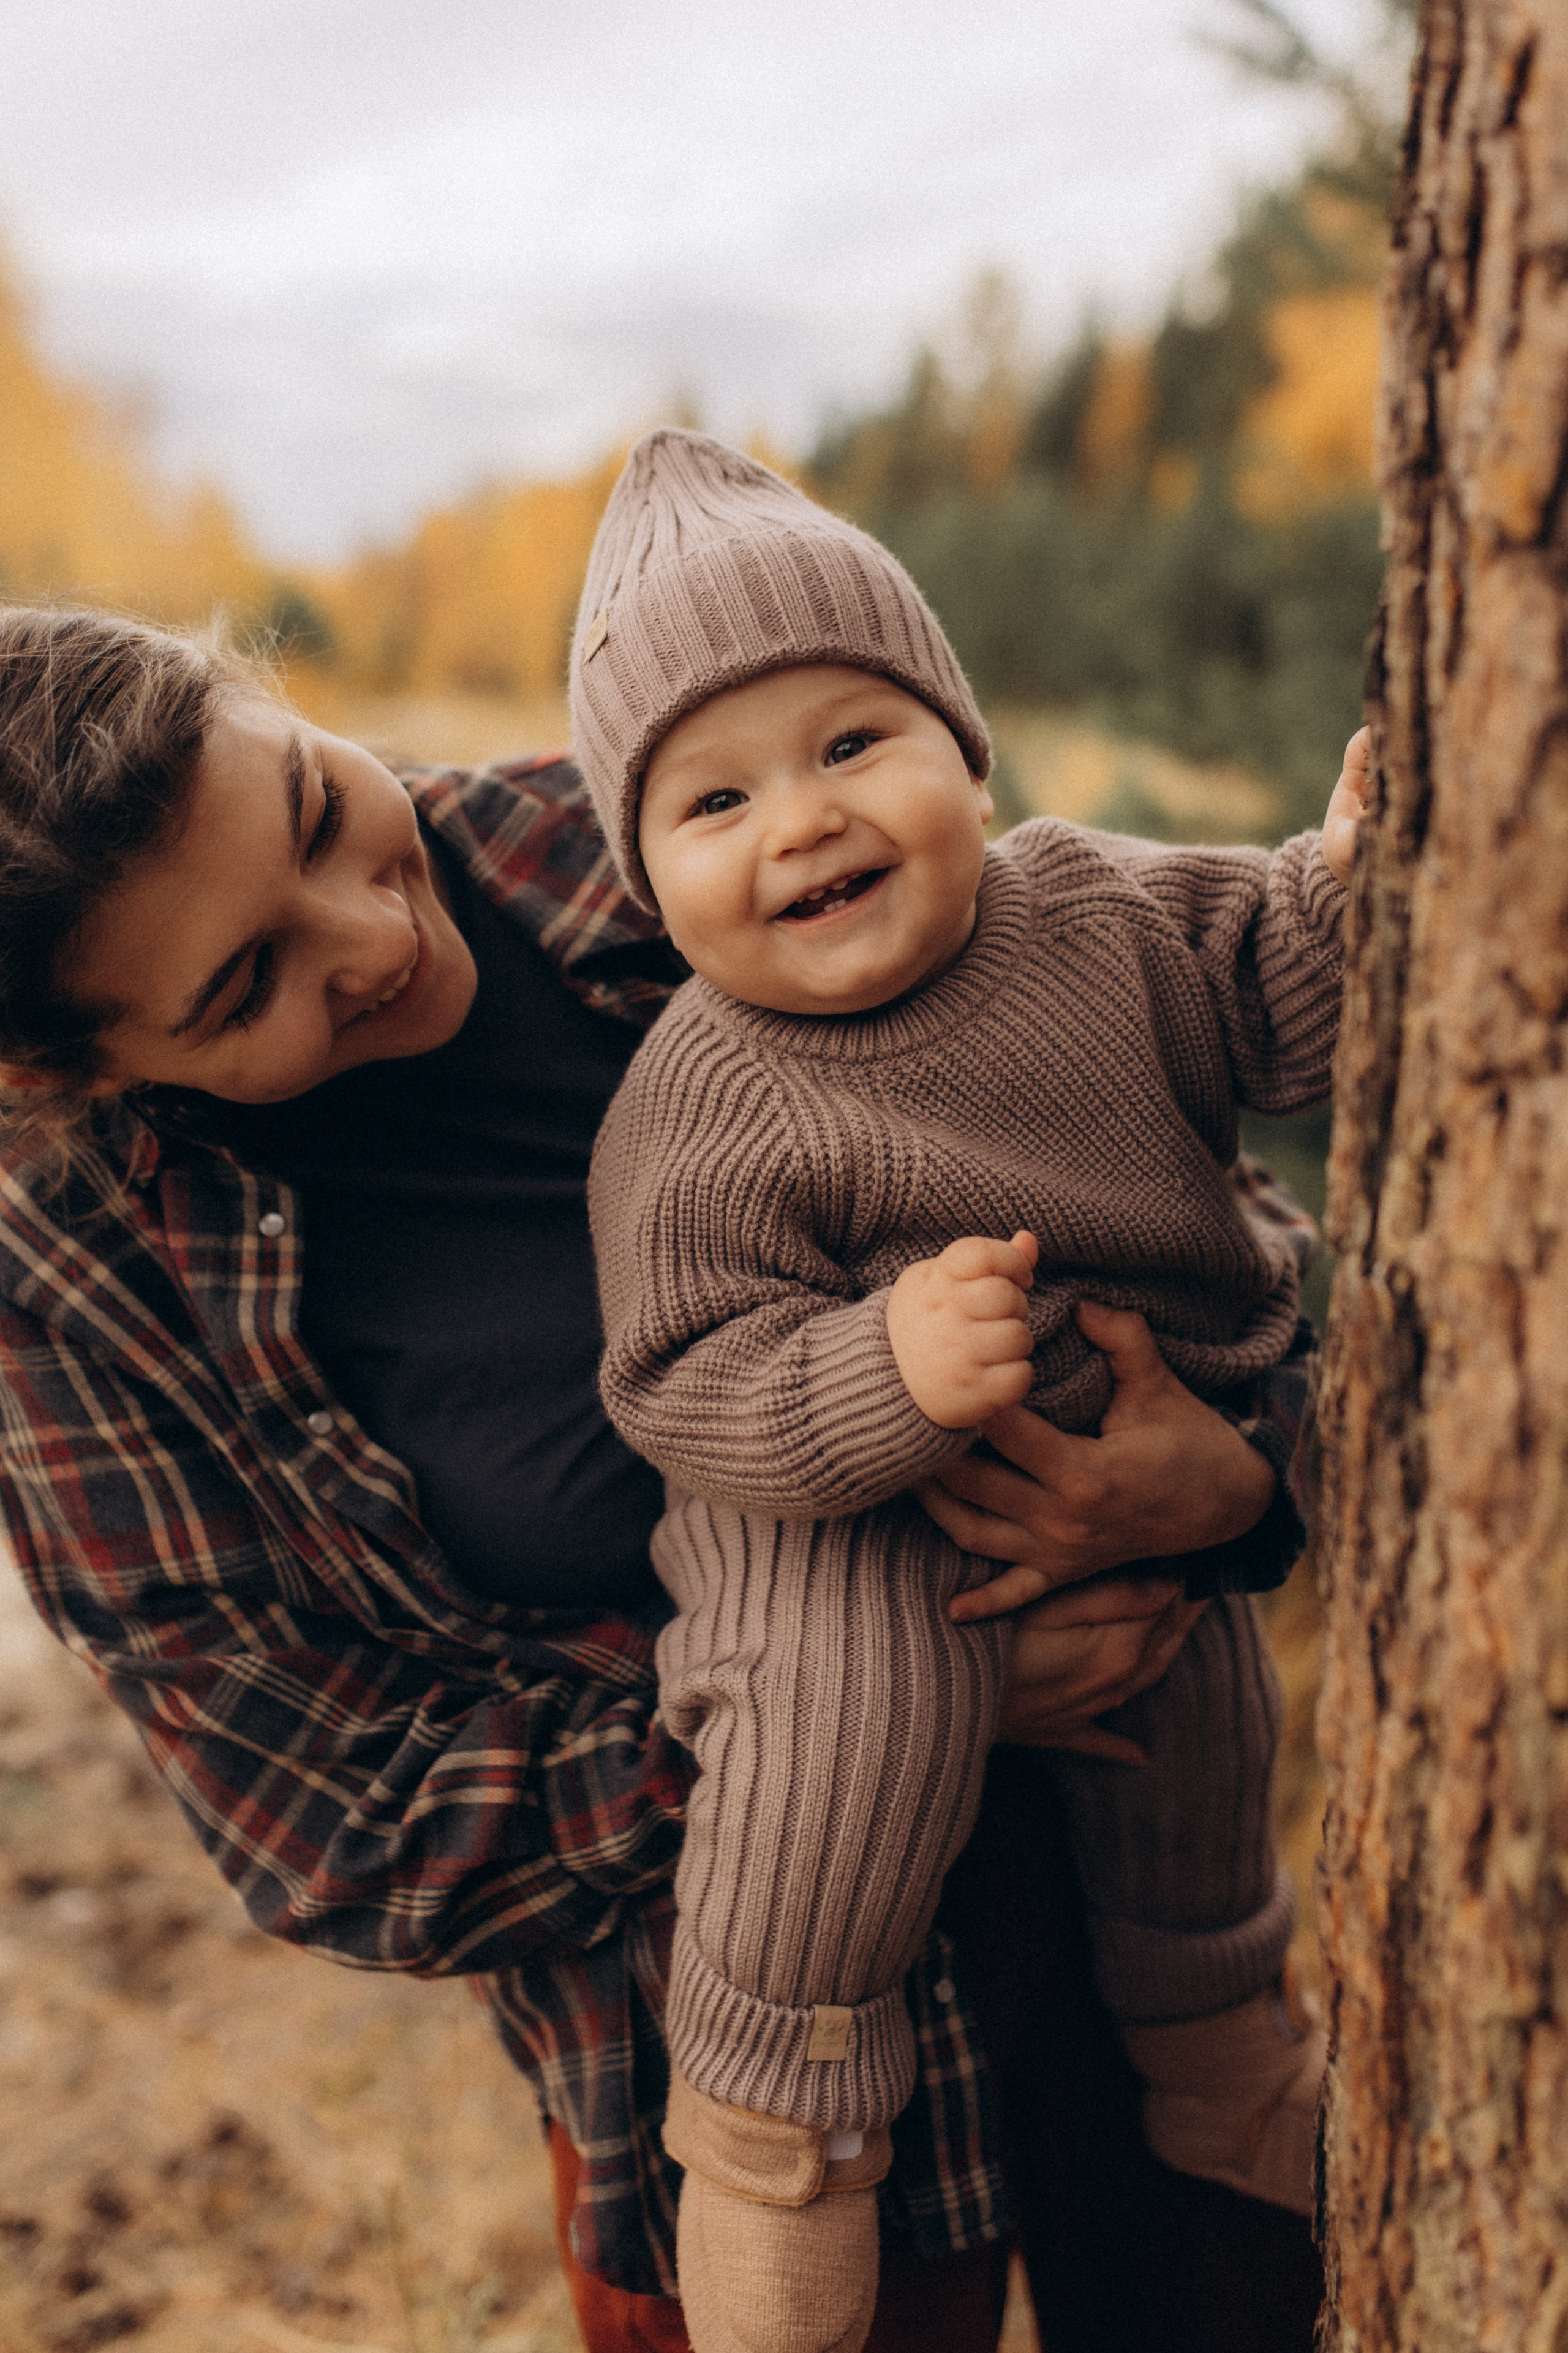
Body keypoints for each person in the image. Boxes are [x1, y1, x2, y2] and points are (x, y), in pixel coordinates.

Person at [0, 602, 1323, 2353]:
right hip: (725, 2066)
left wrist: (1240, 1477)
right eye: (248, 983)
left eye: (320, 807)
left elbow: (1182, 1203)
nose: (376, 932)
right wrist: (865, 1707)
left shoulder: (667, 836)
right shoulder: (81, 1277)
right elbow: (330, 1819)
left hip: (1155, 1915)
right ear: (62, 1072)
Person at [573, 434, 1364, 2353]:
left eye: (856, 742)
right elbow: (683, 1369)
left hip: (1129, 1454)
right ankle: (768, 2125)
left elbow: (1287, 977)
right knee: (831, 1726)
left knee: (1195, 1723)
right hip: (832, 1520)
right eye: (714, 797)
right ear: (649, 876)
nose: (800, 820)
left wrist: (1374, 855)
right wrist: (878, 1366)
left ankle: (1216, 2028)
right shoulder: (703, 1090)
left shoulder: (1100, 913)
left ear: (967, 752)